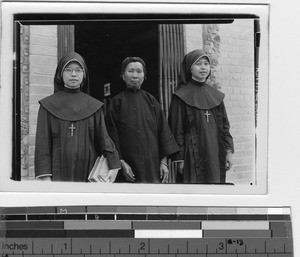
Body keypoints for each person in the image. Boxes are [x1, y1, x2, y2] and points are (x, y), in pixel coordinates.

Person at [35, 52, 120, 182]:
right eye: (68, 70)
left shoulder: (94, 106)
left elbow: (104, 138)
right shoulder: (47, 106)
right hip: (57, 172)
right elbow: (42, 145)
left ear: (84, 74)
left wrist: (114, 164)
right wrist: (45, 176)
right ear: (60, 74)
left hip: (88, 171)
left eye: (78, 70)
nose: (73, 74)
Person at [105, 57, 179, 183]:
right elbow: (111, 136)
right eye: (130, 71)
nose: (135, 75)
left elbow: (164, 133)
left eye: (139, 71)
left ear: (144, 76)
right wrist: (121, 162)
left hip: (152, 167)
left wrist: (164, 162)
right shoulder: (116, 103)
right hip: (127, 169)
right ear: (123, 76)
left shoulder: (152, 101)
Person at [168, 49, 234, 184]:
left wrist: (228, 151)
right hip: (191, 153)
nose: (203, 67)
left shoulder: (216, 95)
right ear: (189, 68)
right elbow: (176, 129)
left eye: (206, 64)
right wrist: (179, 158)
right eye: (198, 64)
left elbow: (224, 126)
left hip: (215, 151)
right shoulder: (180, 96)